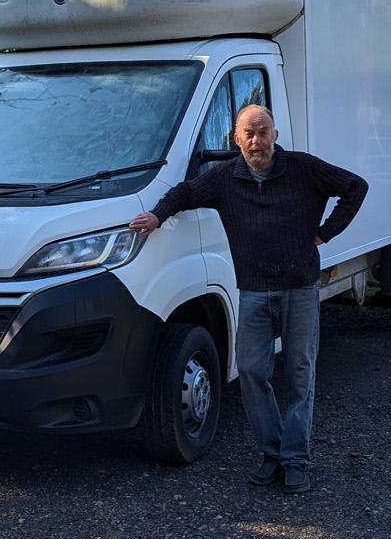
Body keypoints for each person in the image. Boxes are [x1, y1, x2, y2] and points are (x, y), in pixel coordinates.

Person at [129, 104, 367, 493]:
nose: (257, 141)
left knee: (300, 376)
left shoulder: (304, 169)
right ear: (236, 139)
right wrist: (157, 216)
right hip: (253, 291)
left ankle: (295, 460)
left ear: (275, 134)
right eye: (248, 134)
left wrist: (326, 233)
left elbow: (356, 187)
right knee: (253, 373)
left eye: (263, 131)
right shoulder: (225, 177)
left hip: (299, 288)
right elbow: (186, 192)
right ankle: (271, 454)